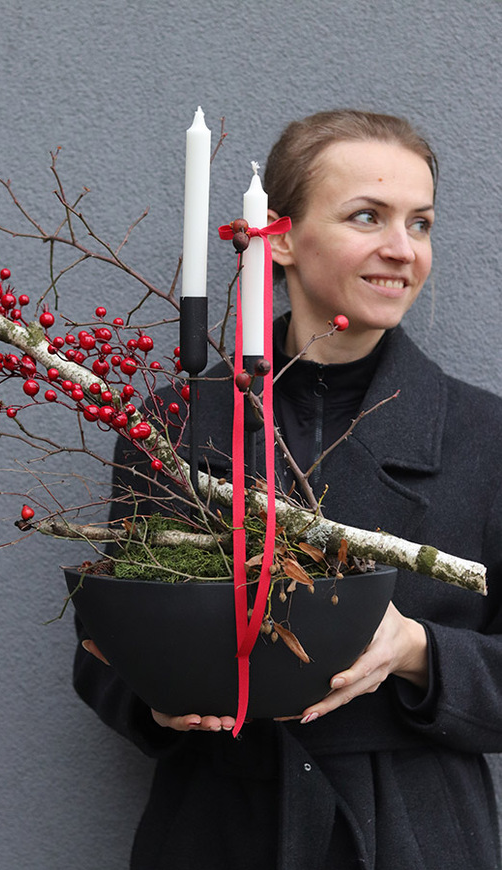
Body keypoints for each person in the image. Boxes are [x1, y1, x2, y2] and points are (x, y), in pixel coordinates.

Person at [73, 110, 502, 869]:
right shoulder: (175, 425)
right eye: (367, 216)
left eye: (421, 222)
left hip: (416, 830)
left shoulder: (484, 433)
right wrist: (155, 699)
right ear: (278, 239)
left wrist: (419, 650)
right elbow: (101, 651)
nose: (402, 250)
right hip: (218, 825)